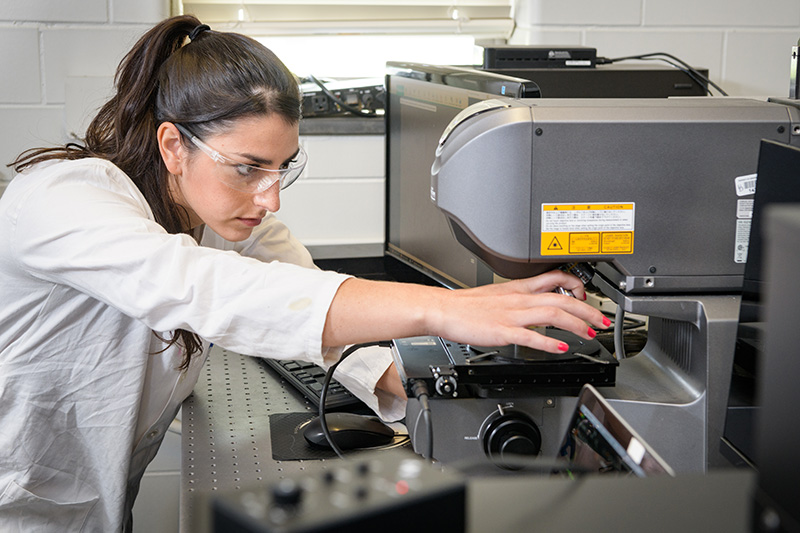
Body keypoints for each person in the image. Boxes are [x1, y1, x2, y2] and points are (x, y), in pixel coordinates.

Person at [0, 15, 609, 532]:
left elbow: (306, 296)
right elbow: (200, 288)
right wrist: (446, 308)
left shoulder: (226, 219)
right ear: (172, 146)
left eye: (282, 168)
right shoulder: (64, 198)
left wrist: (405, 374)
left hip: (98, 504)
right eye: (247, 168)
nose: (270, 198)